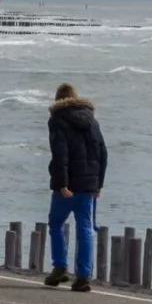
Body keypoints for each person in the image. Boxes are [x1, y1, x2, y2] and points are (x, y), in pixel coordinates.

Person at [45, 83, 108, 292]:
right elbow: (103, 152)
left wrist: (62, 183)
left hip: (69, 183)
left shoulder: (57, 120)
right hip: (89, 184)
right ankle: (83, 276)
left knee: (56, 223)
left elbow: (60, 153)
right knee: (85, 228)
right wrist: (99, 184)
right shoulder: (93, 121)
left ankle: (60, 267)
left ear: (57, 100)